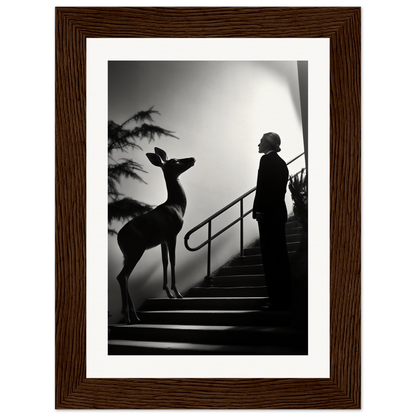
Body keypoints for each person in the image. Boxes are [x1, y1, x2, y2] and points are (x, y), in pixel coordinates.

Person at [253, 132, 292, 311]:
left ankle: (275, 301)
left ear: (268, 144)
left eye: (261, 142)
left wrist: (258, 210)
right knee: (280, 257)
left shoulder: (266, 161)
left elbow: (263, 188)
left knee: (270, 259)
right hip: (278, 213)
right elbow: (279, 191)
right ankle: (284, 299)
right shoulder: (282, 163)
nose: (258, 145)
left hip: (267, 215)